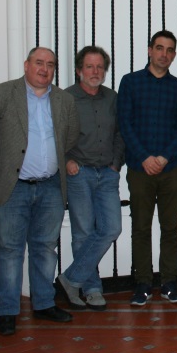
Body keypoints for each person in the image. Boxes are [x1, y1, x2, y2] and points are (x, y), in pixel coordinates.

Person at [0, 47, 80, 336]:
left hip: (49, 186)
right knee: (9, 251)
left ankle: (43, 304)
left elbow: (69, 136)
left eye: (50, 64)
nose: (44, 69)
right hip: (12, 187)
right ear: (26, 65)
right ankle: (8, 311)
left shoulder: (64, 100)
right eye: (39, 63)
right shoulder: (1, 94)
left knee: (45, 249)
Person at [118, 30, 177, 306]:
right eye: (159, 48)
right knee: (141, 227)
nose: (164, 54)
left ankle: (169, 282)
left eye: (170, 49)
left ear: (174, 54)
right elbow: (125, 124)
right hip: (139, 169)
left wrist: (163, 157)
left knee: (170, 227)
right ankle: (143, 284)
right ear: (150, 50)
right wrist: (145, 157)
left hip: (171, 168)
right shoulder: (130, 83)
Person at [56, 46, 125, 311]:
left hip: (107, 173)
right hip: (79, 173)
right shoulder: (64, 98)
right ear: (78, 70)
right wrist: (66, 161)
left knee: (111, 228)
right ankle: (92, 289)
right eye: (89, 67)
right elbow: (53, 135)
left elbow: (120, 133)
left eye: (99, 67)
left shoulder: (112, 98)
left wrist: (116, 163)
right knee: (83, 232)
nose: (95, 72)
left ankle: (70, 279)